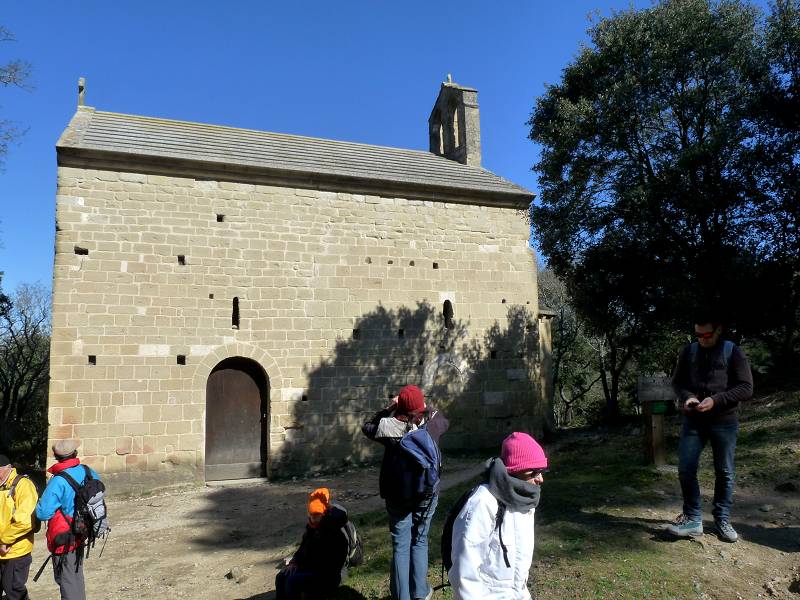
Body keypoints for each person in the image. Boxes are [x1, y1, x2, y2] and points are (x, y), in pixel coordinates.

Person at [666, 316, 753, 543]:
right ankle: (693, 519)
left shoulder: (733, 352)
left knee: (724, 472)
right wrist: (688, 397)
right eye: (698, 335)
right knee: (686, 468)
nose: (703, 339)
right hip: (693, 421)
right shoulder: (689, 351)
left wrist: (717, 400)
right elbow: (677, 383)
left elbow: (746, 387)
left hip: (724, 421)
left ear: (718, 330)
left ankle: (722, 519)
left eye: (707, 334)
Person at [362, 385, 439, 600]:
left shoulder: (387, 428)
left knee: (401, 545)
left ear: (401, 408)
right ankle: (420, 592)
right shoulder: (429, 424)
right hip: (426, 493)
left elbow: (367, 426)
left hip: (397, 495)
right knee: (420, 540)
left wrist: (389, 408)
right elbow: (430, 412)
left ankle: (401, 596)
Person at [449, 432, 547, 600]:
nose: (541, 479)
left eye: (543, 471)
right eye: (535, 472)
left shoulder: (526, 503)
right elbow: (464, 573)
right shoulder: (483, 502)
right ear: (516, 470)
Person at [35, 439, 101, 600]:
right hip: (83, 529)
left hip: (63, 535)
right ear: (75, 453)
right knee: (76, 576)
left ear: (57, 457)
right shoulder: (88, 471)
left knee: (67, 580)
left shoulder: (58, 481)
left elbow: (43, 513)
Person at [275, 487, 349, 600]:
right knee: (281, 577)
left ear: (324, 513)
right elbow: (302, 549)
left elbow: (332, 565)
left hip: (328, 576)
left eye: (316, 515)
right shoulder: (312, 529)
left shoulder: (335, 532)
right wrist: (294, 562)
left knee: (292, 582)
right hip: (310, 569)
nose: (313, 519)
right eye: (311, 515)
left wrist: (305, 570)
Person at [0, 454, 38, 600]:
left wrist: (4, 540)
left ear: (8, 468)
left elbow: (25, 521)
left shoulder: (23, 485)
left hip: (16, 550)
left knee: (14, 591)